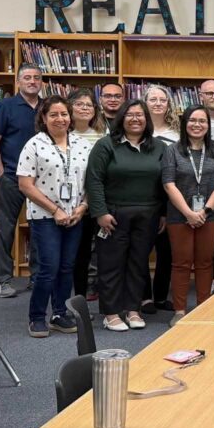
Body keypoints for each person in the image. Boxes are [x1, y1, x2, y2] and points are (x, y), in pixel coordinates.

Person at [85, 100, 167, 332]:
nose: (135, 119)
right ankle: (111, 313)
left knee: (138, 263)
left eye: (140, 115)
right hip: (113, 214)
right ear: (121, 118)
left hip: (149, 214)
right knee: (111, 264)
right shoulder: (106, 145)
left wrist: (163, 213)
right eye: (130, 115)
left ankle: (133, 309)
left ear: (147, 120)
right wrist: (100, 212)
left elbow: (165, 183)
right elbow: (94, 180)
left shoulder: (159, 147)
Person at [16, 96, 90, 338]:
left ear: (71, 117)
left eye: (64, 114)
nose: (60, 119)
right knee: (49, 267)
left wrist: (83, 207)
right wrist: (55, 210)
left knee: (67, 267)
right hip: (45, 216)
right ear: (44, 119)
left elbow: (92, 181)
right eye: (54, 115)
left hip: (75, 216)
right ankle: (37, 317)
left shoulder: (82, 144)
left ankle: (59, 313)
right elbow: (26, 185)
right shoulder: (34, 145)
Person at [162, 105, 214, 326]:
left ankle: (203, 306)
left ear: (208, 126)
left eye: (202, 121)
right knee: (181, 262)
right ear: (185, 123)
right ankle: (180, 310)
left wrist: (204, 211)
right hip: (179, 215)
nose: (197, 125)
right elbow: (169, 183)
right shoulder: (172, 150)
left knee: (205, 261)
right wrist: (189, 213)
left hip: (210, 215)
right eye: (193, 120)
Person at [0, 62, 43, 298]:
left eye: (36, 78)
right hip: (11, 176)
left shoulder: (47, 107)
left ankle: (37, 277)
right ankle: (4, 279)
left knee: (40, 228)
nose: (32, 81)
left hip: (41, 180)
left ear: (42, 83)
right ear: (18, 82)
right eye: (27, 78)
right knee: (6, 228)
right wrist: (0, 173)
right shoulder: (6, 106)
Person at [140, 84, 178, 314]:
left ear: (168, 104)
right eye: (152, 99)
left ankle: (162, 296)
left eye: (162, 99)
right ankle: (145, 297)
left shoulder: (176, 132)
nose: (157, 103)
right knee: (141, 250)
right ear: (145, 103)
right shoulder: (136, 128)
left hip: (170, 199)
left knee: (167, 250)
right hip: (143, 199)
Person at [67, 88, 106, 298]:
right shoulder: (63, 135)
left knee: (102, 252)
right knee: (79, 254)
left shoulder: (102, 135)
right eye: (79, 104)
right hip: (72, 204)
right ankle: (77, 297)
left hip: (98, 202)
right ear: (70, 107)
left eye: (89, 105)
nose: (84, 108)